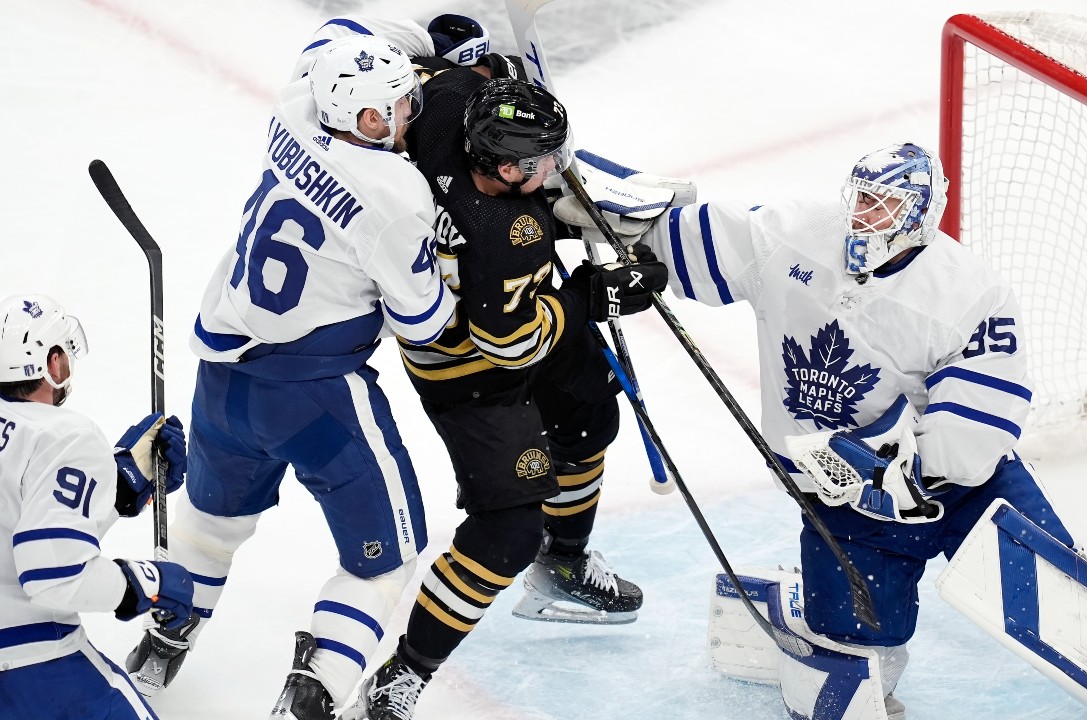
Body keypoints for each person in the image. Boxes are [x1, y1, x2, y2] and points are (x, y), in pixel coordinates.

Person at [555, 142, 1075, 719]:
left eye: (886, 205)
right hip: (839, 490)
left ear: (921, 213)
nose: (866, 216)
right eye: (864, 199)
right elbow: (688, 235)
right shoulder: (796, 235)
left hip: (957, 488)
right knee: (853, 657)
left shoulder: (968, 292)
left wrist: (919, 468)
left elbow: (978, 414)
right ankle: (827, 637)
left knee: (1054, 590)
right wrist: (580, 186)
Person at [122, 20, 461, 720]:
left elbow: (336, 33)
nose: (410, 114)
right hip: (316, 400)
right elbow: (426, 326)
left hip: (222, 382)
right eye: (399, 104)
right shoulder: (397, 195)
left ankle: (159, 646)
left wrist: (403, 45)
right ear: (366, 118)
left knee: (208, 530)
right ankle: (309, 700)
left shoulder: (297, 108)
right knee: (385, 562)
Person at [338, 58, 669, 720]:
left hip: (499, 308)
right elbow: (514, 345)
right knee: (508, 531)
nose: (553, 170)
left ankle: (565, 565)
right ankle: (405, 674)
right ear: (506, 170)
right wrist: (591, 294)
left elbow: (455, 64)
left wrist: (485, 60)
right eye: (542, 165)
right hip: (467, 372)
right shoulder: (508, 233)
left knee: (588, 418)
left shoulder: (445, 112)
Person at [0, 293, 192, 719]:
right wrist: (144, 583)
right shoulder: (64, 435)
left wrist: (118, 482)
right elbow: (52, 573)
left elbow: (22, 517)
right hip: (37, 669)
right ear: (52, 365)